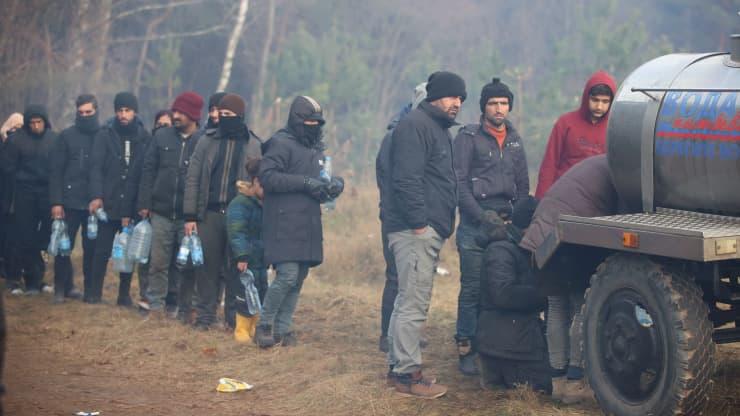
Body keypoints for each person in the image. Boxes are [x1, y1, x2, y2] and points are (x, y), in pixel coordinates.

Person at [382, 71, 465, 398]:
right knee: (414, 304)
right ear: (435, 97)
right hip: (414, 230)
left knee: (406, 301)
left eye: (461, 98)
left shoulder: (436, 128)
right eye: (451, 96)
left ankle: (397, 368)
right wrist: (420, 224)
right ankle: (406, 374)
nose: (457, 103)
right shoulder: (416, 125)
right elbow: (406, 179)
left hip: (424, 229)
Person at [520, 154, 618, 404]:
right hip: (570, 237)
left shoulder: (596, 163)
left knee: (556, 305)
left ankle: (558, 382)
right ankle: (575, 381)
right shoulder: (621, 170)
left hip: (545, 233)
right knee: (578, 307)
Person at [452, 77, 529, 375]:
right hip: (475, 224)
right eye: (493, 103)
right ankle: (466, 345)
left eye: (504, 103)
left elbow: (523, 185)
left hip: (507, 224)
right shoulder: (468, 137)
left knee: (498, 286)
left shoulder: (514, 139)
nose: (499, 109)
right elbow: (458, 183)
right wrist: (481, 216)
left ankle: (493, 345)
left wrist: (519, 218)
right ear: (483, 106)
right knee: (471, 286)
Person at [254, 95, 344, 348]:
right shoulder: (280, 144)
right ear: (297, 120)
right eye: (309, 121)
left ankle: (284, 329)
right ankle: (264, 325)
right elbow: (268, 177)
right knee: (287, 275)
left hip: (309, 221)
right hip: (283, 221)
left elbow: (320, 180)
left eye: (318, 122)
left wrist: (335, 185)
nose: (313, 126)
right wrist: (304, 183)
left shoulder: (315, 149)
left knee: (299, 277)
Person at [182, 93, 262, 330]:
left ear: (240, 116)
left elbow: (258, 182)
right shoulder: (206, 141)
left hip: (239, 215)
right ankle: (206, 316)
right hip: (209, 214)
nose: (222, 118)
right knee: (207, 268)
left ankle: (232, 318)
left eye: (229, 115)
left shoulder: (253, 144)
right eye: (221, 114)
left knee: (235, 269)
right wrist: (190, 216)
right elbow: (193, 179)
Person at [138, 92, 204, 318]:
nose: (175, 116)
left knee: (187, 266)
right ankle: (156, 306)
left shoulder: (204, 140)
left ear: (193, 115)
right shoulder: (162, 137)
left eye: (180, 112)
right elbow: (148, 170)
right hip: (162, 212)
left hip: (190, 217)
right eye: (174, 111)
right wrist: (145, 202)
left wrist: (195, 213)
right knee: (158, 262)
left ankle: (185, 308)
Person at [476, 196, 551, 394]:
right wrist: (548, 295)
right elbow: (503, 294)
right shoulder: (501, 250)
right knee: (546, 385)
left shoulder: (518, 247)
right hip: (507, 346)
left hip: (514, 340)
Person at [375, 82, 427, 353]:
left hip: (420, 218)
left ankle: (406, 333)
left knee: (415, 279)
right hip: (397, 218)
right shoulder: (395, 136)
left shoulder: (429, 132)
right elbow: (388, 180)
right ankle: (387, 334)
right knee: (397, 276)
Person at [87, 92, 151, 305]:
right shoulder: (104, 135)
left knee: (129, 252)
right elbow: (95, 167)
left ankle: (123, 295)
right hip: (109, 201)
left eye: (127, 110)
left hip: (131, 203)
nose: (123, 115)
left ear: (135, 112)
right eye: (120, 110)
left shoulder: (144, 137)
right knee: (101, 250)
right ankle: (94, 293)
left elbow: (146, 173)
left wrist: (142, 204)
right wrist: (96, 196)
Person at [48, 94, 100, 303]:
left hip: (93, 205)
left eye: (89, 112)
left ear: (96, 111)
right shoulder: (66, 136)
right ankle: (61, 288)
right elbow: (55, 171)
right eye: (81, 113)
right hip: (68, 202)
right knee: (63, 248)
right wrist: (56, 202)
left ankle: (89, 291)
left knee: (91, 250)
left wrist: (101, 197)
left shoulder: (103, 135)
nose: (85, 116)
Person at [1, 105, 56, 295]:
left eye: (39, 122)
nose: (35, 126)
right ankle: (17, 279)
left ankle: (36, 278)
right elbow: (7, 168)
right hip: (23, 193)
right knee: (22, 236)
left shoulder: (53, 139)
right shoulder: (17, 141)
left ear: (45, 122)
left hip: (47, 194)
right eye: (32, 122)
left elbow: (58, 168)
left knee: (43, 238)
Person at [535, 70, 616, 199]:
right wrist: (540, 199)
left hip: (598, 198)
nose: (599, 106)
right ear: (586, 97)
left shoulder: (613, 129)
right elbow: (550, 164)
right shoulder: (565, 123)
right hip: (563, 194)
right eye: (595, 100)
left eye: (605, 101)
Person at [226, 158, 267, 342]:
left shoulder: (262, 204)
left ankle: (254, 328)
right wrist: (241, 256)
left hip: (260, 260)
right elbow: (237, 232)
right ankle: (240, 330)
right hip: (244, 261)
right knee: (243, 294)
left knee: (259, 291)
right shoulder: (239, 204)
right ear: (256, 182)